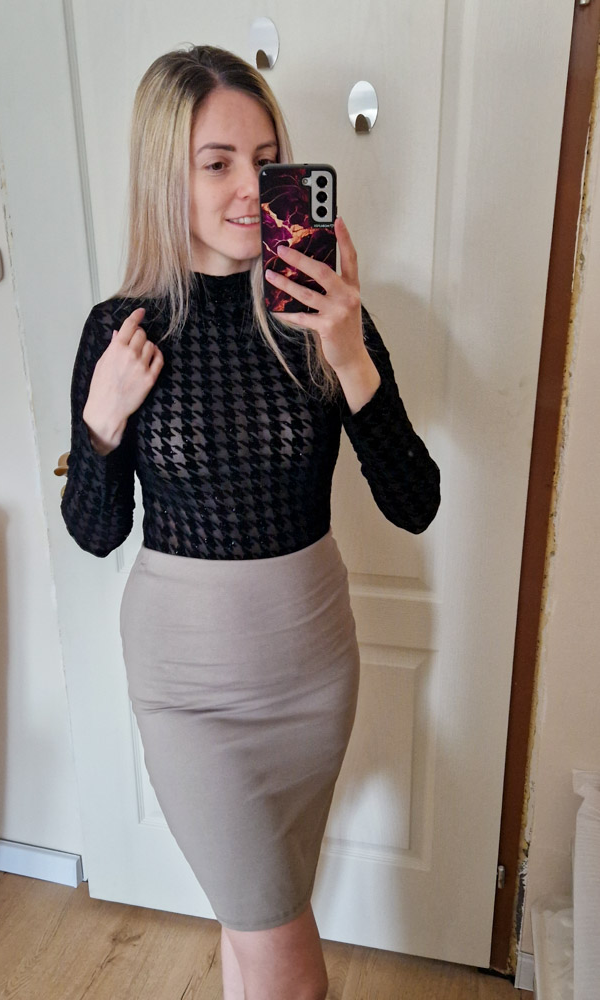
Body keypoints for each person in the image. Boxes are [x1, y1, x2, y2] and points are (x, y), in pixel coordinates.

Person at [61, 44, 440, 1000]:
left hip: (314, 674)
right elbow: (95, 532)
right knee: (289, 967)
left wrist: (352, 357)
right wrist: (101, 421)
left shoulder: (325, 317)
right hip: (189, 693)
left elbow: (416, 502)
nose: (247, 188)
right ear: (166, 175)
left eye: (265, 160)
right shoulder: (120, 331)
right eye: (216, 162)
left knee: (255, 923)